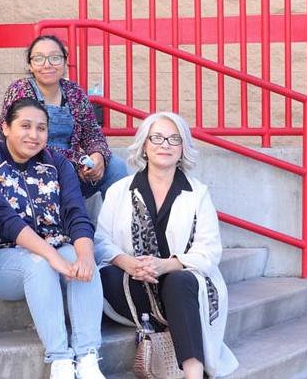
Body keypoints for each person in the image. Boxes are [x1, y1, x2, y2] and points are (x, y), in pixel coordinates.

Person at [0, 98, 105, 379]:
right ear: (5, 127)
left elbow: (76, 213)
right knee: (40, 264)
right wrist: (52, 257)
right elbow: (1, 219)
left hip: (52, 248)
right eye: (25, 126)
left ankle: (88, 358)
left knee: (79, 258)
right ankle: (61, 361)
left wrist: (85, 256)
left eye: (41, 128)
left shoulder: (57, 163)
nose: (34, 135)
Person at [94, 112, 238, 378]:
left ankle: (193, 372)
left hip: (179, 281)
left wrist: (165, 265)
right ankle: (177, 322)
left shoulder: (198, 193)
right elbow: (101, 242)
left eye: (174, 139)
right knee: (104, 277)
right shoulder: (119, 190)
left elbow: (209, 251)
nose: (165, 145)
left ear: (183, 148)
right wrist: (130, 264)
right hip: (133, 280)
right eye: (157, 138)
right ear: (145, 146)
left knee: (178, 282)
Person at [0, 35, 128, 199]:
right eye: (39, 59)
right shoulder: (20, 90)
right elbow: (23, 141)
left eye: (55, 58)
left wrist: (98, 156)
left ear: (65, 62)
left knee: (116, 168)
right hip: (33, 166)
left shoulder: (74, 92)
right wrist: (79, 160)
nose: (47, 64)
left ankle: (118, 223)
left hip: (74, 168)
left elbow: (92, 133)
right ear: (30, 65)